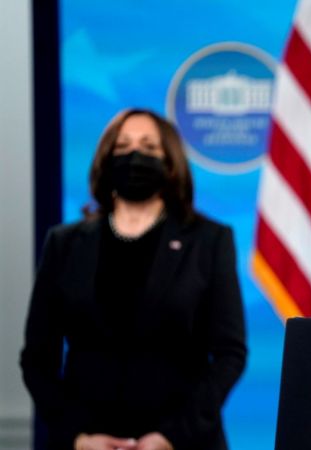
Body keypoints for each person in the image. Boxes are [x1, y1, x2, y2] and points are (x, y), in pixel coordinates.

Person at [20, 108, 247, 450]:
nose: (134, 156)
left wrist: (171, 436)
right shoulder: (63, 244)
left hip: (181, 442)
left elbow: (230, 353)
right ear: (105, 160)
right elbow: (37, 359)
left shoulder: (210, 241)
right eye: (123, 147)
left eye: (148, 147)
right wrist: (78, 437)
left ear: (170, 163)